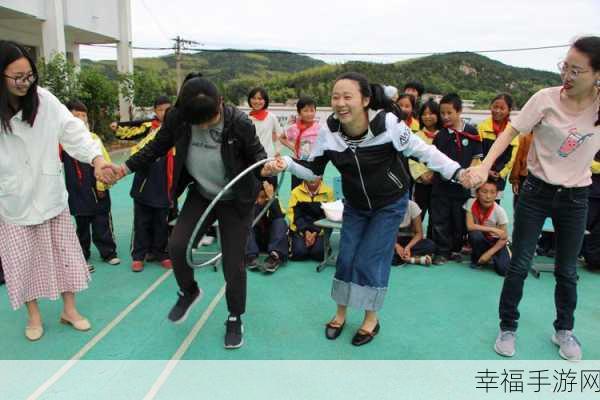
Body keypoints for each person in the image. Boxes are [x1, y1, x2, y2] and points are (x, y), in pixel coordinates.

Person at [270, 72, 467, 346]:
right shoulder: (330, 130)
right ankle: (340, 313)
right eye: (335, 97)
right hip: (356, 204)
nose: (340, 103)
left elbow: (425, 152)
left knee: (370, 259)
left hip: (389, 203)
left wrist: (458, 172)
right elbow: (313, 170)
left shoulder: (388, 124)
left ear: (364, 100)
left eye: (347, 96)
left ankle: (370, 320)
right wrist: (287, 164)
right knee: (347, 257)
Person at [466, 36, 600, 361]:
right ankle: (507, 327)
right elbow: (510, 133)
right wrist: (484, 166)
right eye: (564, 67)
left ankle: (564, 330)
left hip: (577, 196)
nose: (566, 75)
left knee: (567, 270)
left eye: (576, 70)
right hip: (536, 192)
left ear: (597, 75)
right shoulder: (545, 99)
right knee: (520, 263)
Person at [120, 76, 272, 349]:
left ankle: (235, 316)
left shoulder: (239, 123)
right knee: (177, 246)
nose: (203, 126)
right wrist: (124, 168)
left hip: (235, 199)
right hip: (201, 193)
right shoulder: (178, 117)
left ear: (221, 103)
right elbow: (157, 146)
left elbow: (258, 156)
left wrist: (267, 171)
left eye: (209, 120)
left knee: (233, 264)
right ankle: (189, 292)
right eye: (197, 122)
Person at [0, 41, 118, 341]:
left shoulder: (43, 100)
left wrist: (97, 159)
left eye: (29, 75)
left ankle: (69, 309)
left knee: (65, 253)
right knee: (22, 260)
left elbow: (73, 131)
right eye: (17, 77)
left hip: (49, 193)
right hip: (13, 199)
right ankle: (34, 316)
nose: (25, 82)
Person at [63, 100, 120, 271]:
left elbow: (104, 162)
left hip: (96, 190)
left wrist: (102, 186)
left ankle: (108, 252)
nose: (81, 119)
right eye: (76, 116)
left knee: (102, 222)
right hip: (76, 192)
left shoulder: (93, 139)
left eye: (83, 116)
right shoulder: (62, 143)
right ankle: (82, 257)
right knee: (81, 226)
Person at [430, 93, 483, 264]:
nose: (445, 117)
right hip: (442, 186)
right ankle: (442, 251)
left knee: (459, 219)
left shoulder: (472, 132)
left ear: (459, 111)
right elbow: (434, 160)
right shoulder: (440, 136)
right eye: (442, 113)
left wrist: (471, 176)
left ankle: (456, 249)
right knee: (441, 219)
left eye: (449, 113)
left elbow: (476, 158)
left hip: (463, 187)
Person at [127, 96, 174, 272]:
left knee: (161, 223)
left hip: (165, 186)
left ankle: (161, 253)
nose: (164, 113)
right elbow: (128, 130)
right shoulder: (147, 128)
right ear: (155, 111)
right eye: (160, 109)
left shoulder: (177, 131)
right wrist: (118, 128)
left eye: (168, 109)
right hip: (144, 185)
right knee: (141, 222)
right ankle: (138, 255)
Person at [477, 94, 519, 202]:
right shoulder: (481, 127)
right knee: (476, 205)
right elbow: (476, 152)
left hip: (499, 179)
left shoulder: (512, 131)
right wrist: (485, 169)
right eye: (495, 107)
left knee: (494, 208)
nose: (497, 111)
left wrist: (501, 173)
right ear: (490, 106)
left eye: (502, 108)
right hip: (480, 176)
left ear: (509, 110)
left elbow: (512, 158)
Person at [464, 179, 510, 276]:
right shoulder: (471, 203)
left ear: (497, 194)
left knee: (504, 270)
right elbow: (470, 226)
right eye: (484, 192)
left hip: (497, 243)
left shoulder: (499, 211)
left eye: (492, 192)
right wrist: (492, 229)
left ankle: (491, 256)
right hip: (482, 239)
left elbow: (504, 237)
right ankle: (477, 257)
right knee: (475, 234)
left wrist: (488, 254)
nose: (488, 196)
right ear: (477, 193)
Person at [409, 99, 443, 224]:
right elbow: (412, 159)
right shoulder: (416, 136)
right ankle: (414, 240)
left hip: (438, 183)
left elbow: (445, 157)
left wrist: (434, 174)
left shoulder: (443, 135)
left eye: (431, 113)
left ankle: (433, 241)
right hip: (421, 183)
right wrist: (422, 174)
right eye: (424, 114)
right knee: (418, 214)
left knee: (436, 216)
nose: (427, 117)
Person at [245, 180, 289, 273]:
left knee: (280, 222)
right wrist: (256, 205)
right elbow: (251, 219)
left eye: (265, 197)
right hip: (254, 242)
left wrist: (271, 197)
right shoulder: (250, 204)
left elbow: (279, 216)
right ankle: (251, 257)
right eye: (259, 197)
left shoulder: (273, 201)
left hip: (271, 241)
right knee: (245, 223)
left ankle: (274, 257)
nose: (262, 200)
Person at [287, 177, 335, 262]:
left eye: (316, 175)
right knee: (299, 253)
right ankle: (295, 241)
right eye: (309, 175)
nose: (312, 178)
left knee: (319, 254)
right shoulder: (295, 192)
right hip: (301, 229)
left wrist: (316, 232)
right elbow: (293, 216)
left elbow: (328, 216)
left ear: (321, 177)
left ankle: (320, 244)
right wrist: (305, 231)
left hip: (320, 230)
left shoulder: (328, 192)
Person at [280, 96, 321, 190]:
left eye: (312, 110)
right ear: (299, 112)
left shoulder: (320, 128)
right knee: (296, 194)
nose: (309, 113)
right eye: (305, 110)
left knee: (315, 196)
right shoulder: (294, 128)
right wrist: (293, 148)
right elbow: (281, 138)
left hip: (314, 167)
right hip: (297, 165)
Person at [392, 199, 436, 266]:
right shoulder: (387, 206)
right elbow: (383, 235)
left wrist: (408, 247)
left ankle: (405, 259)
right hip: (392, 241)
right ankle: (415, 259)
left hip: (410, 241)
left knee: (430, 245)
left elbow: (419, 233)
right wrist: (396, 246)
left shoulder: (412, 206)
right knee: (383, 251)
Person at [247, 87, 284, 158]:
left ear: (265, 101)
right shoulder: (246, 119)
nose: (257, 101)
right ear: (250, 100)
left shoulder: (271, 117)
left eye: (260, 99)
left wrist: (277, 151)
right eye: (254, 98)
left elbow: (280, 135)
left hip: (268, 156)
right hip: (251, 158)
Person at [582, 152, 600, 269]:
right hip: (590, 192)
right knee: (585, 226)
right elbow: (588, 164)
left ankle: (593, 259)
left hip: (593, 192)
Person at [508, 132, 533, 207]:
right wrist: (515, 180)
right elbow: (518, 159)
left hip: (527, 176)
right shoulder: (524, 137)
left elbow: (518, 159)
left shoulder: (524, 136)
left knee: (519, 206)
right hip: (526, 176)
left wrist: (514, 180)